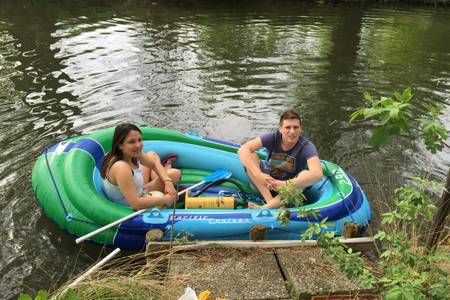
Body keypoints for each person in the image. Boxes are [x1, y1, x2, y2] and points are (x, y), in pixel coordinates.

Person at [238, 110, 323, 209]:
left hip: (287, 190)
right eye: (288, 127)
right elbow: (243, 150)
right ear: (280, 129)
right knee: (251, 155)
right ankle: (270, 202)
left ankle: (265, 207)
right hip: (265, 184)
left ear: (301, 129)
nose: (292, 131)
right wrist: (259, 175)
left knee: (305, 175)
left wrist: (284, 184)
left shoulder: (306, 146)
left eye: (296, 127)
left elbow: (318, 174)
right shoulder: (272, 138)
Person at [100, 123, 181, 210]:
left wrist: (167, 182)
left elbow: (153, 163)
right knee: (174, 174)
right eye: (131, 142)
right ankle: (165, 168)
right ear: (120, 145)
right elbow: (136, 204)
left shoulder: (129, 153)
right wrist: (166, 199)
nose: (138, 145)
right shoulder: (121, 168)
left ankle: (163, 171)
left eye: (139, 140)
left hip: (137, 189)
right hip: (129, 205)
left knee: (152, 155)